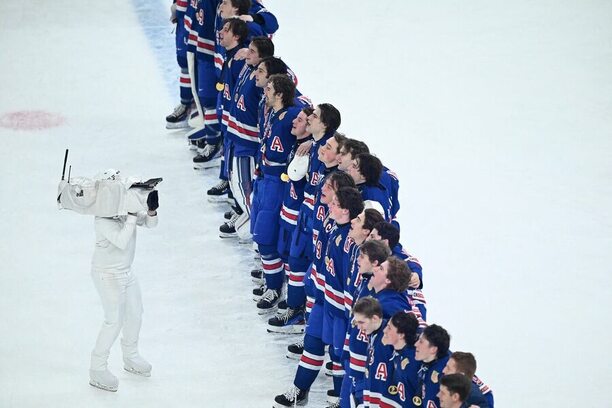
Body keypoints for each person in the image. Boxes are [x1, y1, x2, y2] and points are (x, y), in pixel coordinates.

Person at [88, 179, 160, 392]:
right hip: (107, 275)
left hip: (126, 272)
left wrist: (151, 210)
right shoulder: (101, 219)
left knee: (136, 313)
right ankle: (97, 369)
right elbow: (121, 240)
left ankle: (131, 356)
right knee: (113, 321)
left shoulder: (122, 212)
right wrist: (131, 214)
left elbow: (150, 224)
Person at [249, 74, 300, 312]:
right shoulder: (270, 112)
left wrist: (309, 143)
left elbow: (309, 124)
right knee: (258, 233)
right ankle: (273, 280)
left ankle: (274, 287)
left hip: (276, 185)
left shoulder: (290, 115)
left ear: (280, 94)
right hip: (263, 179)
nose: (265, 91)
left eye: (269, 88)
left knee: (266, 236)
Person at [382, 311, 420, 408]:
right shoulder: (399, 352)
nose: (384, 330)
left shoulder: (413, 361)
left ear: (401, 335)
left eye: (389, 328)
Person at [414, 324, 452, 408]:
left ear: (433, 349)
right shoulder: (426, 362)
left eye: (421, 342)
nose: (416, 344)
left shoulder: (448, 371)